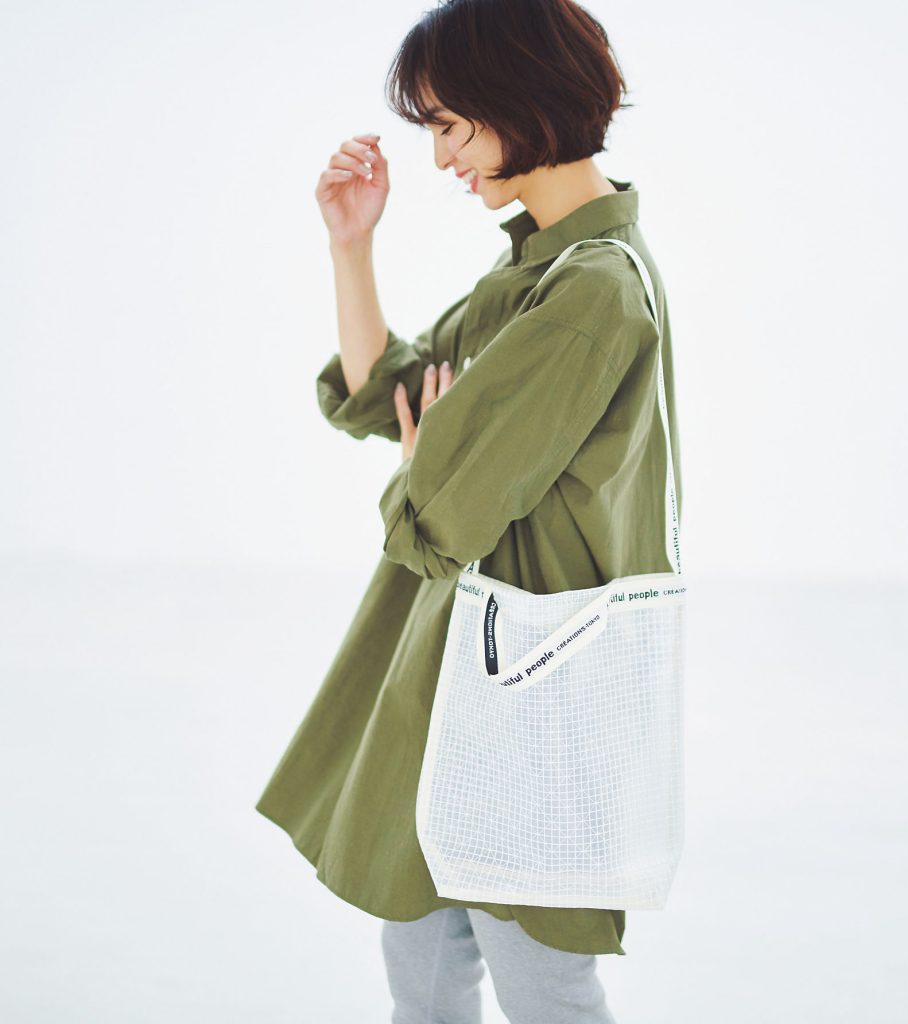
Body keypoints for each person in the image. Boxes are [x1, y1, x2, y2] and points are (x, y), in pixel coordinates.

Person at [254, 1, 682, 1020]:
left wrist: (431, 457)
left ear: (521, 99)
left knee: (538, 979)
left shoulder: (591, 290)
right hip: (464, 662)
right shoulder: (540, 267)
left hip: (528, 683)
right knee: (422, 948)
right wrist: (351, 248)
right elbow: (399, 397)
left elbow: (442, 503)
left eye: (451, 125)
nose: (442, 156)